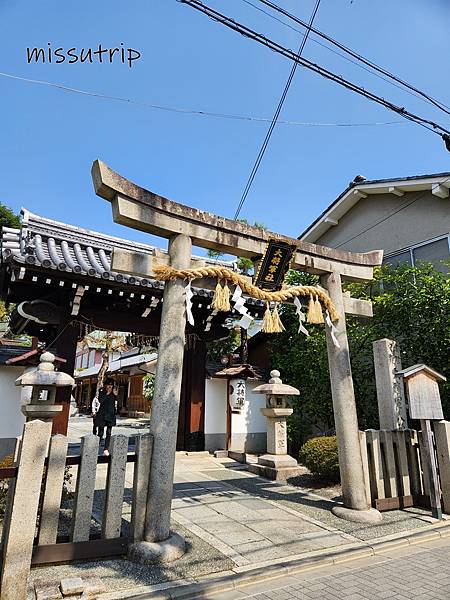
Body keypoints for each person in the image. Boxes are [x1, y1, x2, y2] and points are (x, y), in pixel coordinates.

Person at [92, 378, 118, 455]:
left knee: (109, 432)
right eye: (108, 385)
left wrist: (115, 395)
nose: (110, 386)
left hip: (110, 415)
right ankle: (96, 447)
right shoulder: (101, 392)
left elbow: (116, 403)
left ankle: (106, 448)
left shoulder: (114, 393)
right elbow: (100, 401)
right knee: (100, 432)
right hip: (102, 415)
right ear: (105, 385)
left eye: (111, 385)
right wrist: (107, 393)